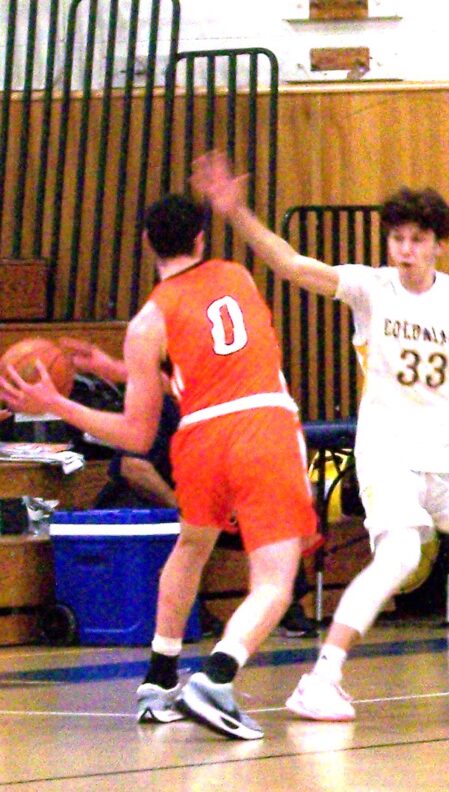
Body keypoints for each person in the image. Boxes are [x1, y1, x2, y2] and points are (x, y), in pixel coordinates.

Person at [191, 150, 449, 722]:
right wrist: (236, 214)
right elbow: (289, 264)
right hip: (388, 456)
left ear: (438, 244)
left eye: (417, 239)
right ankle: (321, 678)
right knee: (401, 553)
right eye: (397, 238)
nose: (405, 249)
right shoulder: (369, 288)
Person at [1, 194, 320, 740]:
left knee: (191, 545)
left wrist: (77, 394)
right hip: (261, 427)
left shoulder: (147, 323)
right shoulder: (238, 277)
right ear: (200, 239)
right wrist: (102, 382)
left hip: (198, 438)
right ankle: (215, 679)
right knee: (275, 580)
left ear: (147, 243)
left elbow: (136, 434)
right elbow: (219, 352)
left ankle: (158, 680)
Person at [64, 339, 318, 638]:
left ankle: (284, 605)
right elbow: (134, 468)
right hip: (144, 506)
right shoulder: (158, 405)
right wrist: (182, 504)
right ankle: (187, 613)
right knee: (187, 530)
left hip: (202, 501)